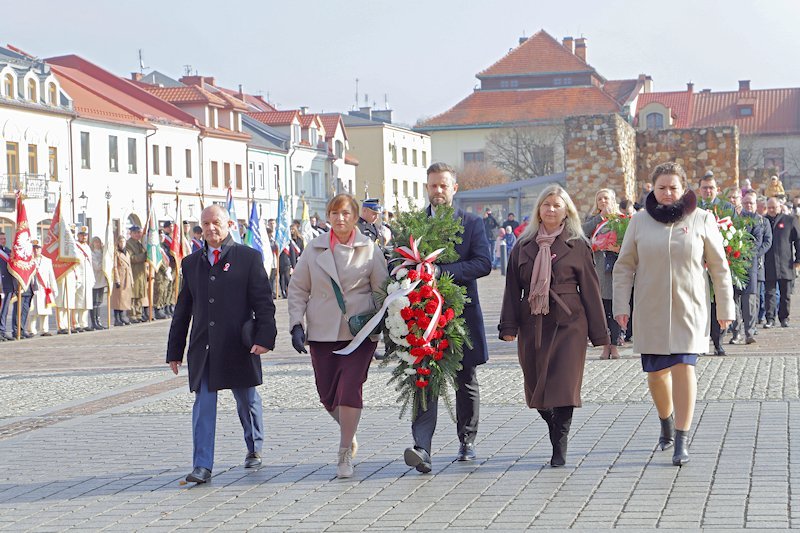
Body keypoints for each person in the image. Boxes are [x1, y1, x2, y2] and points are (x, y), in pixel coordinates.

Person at [613, 161, 734, 466]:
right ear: (652, 189)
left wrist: (725, 306)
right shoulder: (639, 221)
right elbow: (624, 265)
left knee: (683, 367)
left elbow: (719, 267)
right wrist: (620, 306)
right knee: (656, 374)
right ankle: (666, 418)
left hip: (689, 307)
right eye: (661, 187)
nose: (667, 193)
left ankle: (681, 436)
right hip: (650, 308)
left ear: (684, 188)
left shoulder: (701, 219)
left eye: (673, 187)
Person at [166, 204, 277, 484]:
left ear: (228, 224)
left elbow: (263, 303)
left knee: (247, 400)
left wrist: (265, 337)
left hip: (239, 345)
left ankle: (254, 447)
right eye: (205, 224)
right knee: (203, 405)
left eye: (216, 222)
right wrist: (174, 351)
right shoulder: (191, 263)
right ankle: (202, 465)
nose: (211, 228)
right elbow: (183, 310)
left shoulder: (248, 258)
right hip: (205, 347)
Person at [500, 185, 609, 467]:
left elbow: (591, 289)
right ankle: (553, 426)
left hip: (570, 322)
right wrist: (508, 326)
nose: (550, 209)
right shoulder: (523, 246)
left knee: (563, 386)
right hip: (533, 323)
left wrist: (601, 335)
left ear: (566, 212)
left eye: (556, 205)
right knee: (536, 388)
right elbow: (512, 288)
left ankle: (559, 446)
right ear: (538, 209)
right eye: (546, 204)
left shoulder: (578, 244)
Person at [287, 193, 388, 478]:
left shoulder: (368, 249)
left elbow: (382, 292)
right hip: (322, 330)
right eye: (334, 213)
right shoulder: (313, 249)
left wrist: (389, 330)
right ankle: (349, 430)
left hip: (359, 332)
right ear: (328, 217)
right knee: (327, 394)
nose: (340, 218)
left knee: (350, 388)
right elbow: (297, 289)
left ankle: (344, 453)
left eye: (345, 213)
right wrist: (296, 324)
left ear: (355, 217)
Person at [403, 162, 492, 473]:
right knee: (424, 379)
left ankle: (467, 440)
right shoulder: (414, 224)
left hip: (460, 316)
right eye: (432, 186)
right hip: (421, 316)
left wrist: (441, 272)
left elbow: (483, 263)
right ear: (426, 188)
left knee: (465, 379)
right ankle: (422, 448)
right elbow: (397, 260)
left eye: (443, 186)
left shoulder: (472, 223)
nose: (438, 191)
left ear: (455, 188)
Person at [582, 188, 622, 359]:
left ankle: (615, 344)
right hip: (598, 271)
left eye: (606, 198)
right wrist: (600, 217)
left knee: (616, 310)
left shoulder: (622, 220)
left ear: (613, 200)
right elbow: (582, 233)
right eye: (600, 199)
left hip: (618, 271)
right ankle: (605, 346)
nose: (603, 201)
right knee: (602, 311)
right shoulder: (592, 220)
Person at [696, 172, 733, 354]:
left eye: (711, 188)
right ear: (699, 190)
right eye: (705, 188)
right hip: (698, 265)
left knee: (719, 303)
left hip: (720, 262)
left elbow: (736, 230)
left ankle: (718, 343)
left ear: (717, 189)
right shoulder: (692, 209)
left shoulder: (727, 208)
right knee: (701, 305)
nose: (708, 191)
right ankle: (701, 343)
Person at [731, 191, 771, 344]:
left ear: (756, 205)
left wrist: (745, 255)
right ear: (742, 203)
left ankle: (749, 332)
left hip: (750, 265)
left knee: (749, 302)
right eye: (746, 203)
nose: (749, 205)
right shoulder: (735, 220)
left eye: (751, 203)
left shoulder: (759, 222)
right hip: (735, 265)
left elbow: (758, 242)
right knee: (734, 300)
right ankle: (736, 332)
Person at [764, 197, 800, 328]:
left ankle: (784, 318)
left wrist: (798, 260)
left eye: (774, 207)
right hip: (768, 262)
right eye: (769, 208)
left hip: (786, 262)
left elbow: (798, 240)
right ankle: (770, 318)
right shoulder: (763, 221)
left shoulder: (790, 220)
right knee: (769, 293)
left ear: (780, 207)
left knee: (786, 293)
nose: (772, 210)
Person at [28, 240, 57, 337]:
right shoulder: (28, 260)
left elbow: (51, 276)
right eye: (34, 248)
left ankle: (44, 329)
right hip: (33, 288)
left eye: (38, 248)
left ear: (41, 249)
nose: (36, 250)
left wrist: (54, 289)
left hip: (44, 288)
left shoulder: (47, 261)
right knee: (32, 311)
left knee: (45, 310)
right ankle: (31, 330)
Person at [71, 227, 96, 332]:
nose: (84, 237)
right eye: (82, 235)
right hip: (79, 276)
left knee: (86, 301)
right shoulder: (75, 246)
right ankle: (75, 324)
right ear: (78, 236)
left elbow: (90, 263)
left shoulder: (87, 247)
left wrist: (92, 277)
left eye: (85, 235)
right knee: (77, 302)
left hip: (88, 276)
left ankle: (84, 323)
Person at [126, 225, 149, 323]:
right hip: (133, 271)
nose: (137, 235)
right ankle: (132, 315)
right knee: (133, 294)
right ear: (130, 233)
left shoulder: (140, 244)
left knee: (140, 294)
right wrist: (144, 256)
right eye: (135, 233)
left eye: (139, 232)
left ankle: (139, 314)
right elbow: (131, 258)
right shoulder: (128, 244)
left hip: (141, 272)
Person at [111, 235, 134, 326]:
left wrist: (131, 279)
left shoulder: (127, 253)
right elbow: (115, 267)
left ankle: (122, 317)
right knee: (118, 300)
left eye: (124, 242)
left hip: (127, 278)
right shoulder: (116, 253)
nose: (122, 244)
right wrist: (117, 280)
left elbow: (129, 267)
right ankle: (117, 319)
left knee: (124, 299)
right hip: (120, 277)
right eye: (120, 242)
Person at [90, 237, 108, 330]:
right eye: (95, 242)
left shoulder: (102, 253)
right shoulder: (92, 253)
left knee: (99, 302)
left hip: (101, 279)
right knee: (94, 302)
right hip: (95, 279)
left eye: (99, 242)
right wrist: (105, 263)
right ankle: (94, 322)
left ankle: (98, 320)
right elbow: (96, 266)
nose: (97, 244)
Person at [0, 231, 12, 341]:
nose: (3, 240)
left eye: (4, 238)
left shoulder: (8, 251)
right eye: (1, 239)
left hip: (7, 285)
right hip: (0, 285)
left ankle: (2, 331)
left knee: (5, 309)